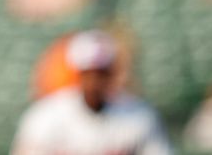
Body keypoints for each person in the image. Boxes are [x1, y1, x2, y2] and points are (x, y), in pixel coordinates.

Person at [10, 30, 174, 155]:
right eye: (88, 73)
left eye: (101, 73)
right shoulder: (45, 116)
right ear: (78, 74)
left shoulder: (139, 115)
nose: (95, 81)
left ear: (111, 74)